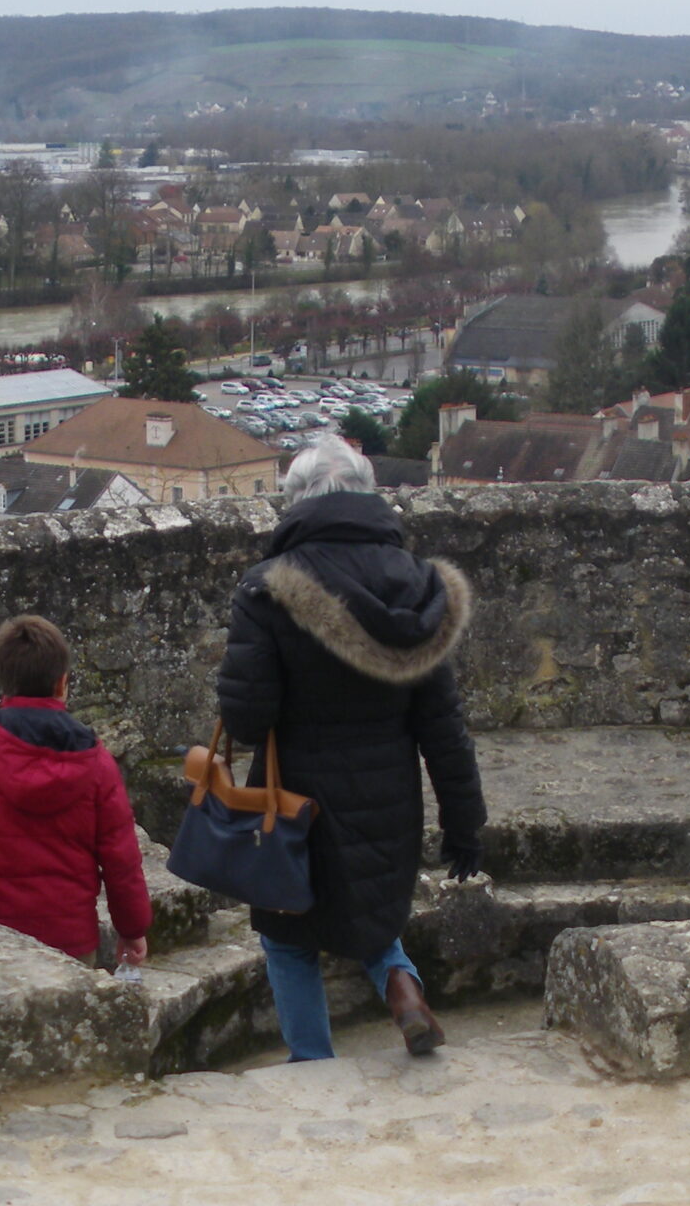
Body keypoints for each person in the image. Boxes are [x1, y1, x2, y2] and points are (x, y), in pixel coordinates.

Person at [217, 436, 484, 1059]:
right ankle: (400, 987)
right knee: (368, 912)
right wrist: (465, 823)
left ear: (295, 501)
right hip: (387, 793)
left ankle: (312, 1064)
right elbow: (443, 724)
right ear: (369, 494)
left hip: (295, 794)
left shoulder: (268, 589)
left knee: (288, 934)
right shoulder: (419, 587)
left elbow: (249, 720)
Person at [0, 613, 153, 969]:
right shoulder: (96, 763)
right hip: (69, 942)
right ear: (62, 683)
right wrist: (132, 928)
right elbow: (122, 861)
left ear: (4, 683)